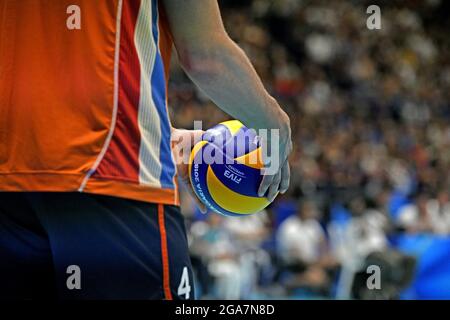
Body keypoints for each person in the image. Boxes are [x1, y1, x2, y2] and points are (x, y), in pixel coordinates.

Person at [0, 0, 292, 299]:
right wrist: (275, 126)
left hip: (11, 184)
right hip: (112, 178)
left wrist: (160, 138)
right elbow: (205, 55)